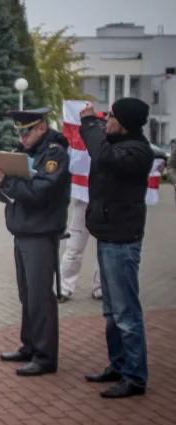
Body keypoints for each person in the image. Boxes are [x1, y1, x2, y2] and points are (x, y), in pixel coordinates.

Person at [78, 98, 153, 399]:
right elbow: (102, 148)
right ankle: (119, 365)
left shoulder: (137, 151)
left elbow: (105, 157)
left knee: (125, 313)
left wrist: (87, 123)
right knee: (111, 311)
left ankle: (135, 376)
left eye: (112, 116)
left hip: (122, 240)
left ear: (126, 122)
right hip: (109, 234)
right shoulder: (116, 142)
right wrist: (91, 124)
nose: (106, 119)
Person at [0, 107, 71, 377]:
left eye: (27, 132)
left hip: (40, 233)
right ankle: (30, 346)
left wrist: (7, 183)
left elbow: (41, 192)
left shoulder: (54, 154)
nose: (22, 138)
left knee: (40, 297)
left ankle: (45, 357)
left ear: (41, 128)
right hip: (23, 230)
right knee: (27, 294)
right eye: (20, 133)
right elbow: (8, 195)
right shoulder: (22, 153)